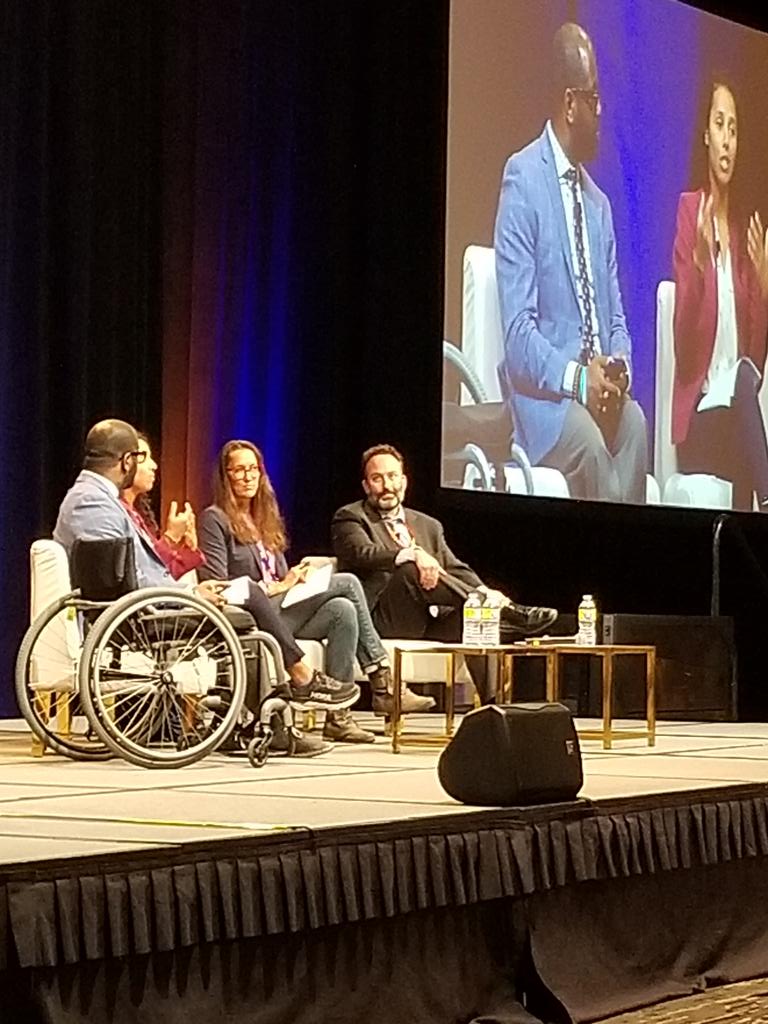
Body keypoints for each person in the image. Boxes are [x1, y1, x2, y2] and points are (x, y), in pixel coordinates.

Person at [54, 419, 359, 714]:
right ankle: (304, 679)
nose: (151, 465)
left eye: (254, 469)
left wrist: (191, 586)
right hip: (139, 615)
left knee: (293, 607)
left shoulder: (99, 499)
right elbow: (121, 581)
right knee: (255, 597)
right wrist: (192, 594)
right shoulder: (91, 502)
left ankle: (268, 719)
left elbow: (131, 571)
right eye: (141, 458)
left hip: (151, 604)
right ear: (126, 462)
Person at [493, 22, 647, 503]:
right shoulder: (522, 180)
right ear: (569, 104)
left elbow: (618, 320)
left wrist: (615, 371)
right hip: (548, 404)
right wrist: (580, 380)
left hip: (597, 394)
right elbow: (518, 335)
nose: (601, 111)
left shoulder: (599, 206)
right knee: (589, 443)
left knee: (637, 425)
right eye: (594, 99)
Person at [197, 441, 434, 745]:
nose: (247, 476)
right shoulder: (214, 519)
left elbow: (279, 575)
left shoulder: (264, 520)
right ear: (225, 476)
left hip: (282, 609)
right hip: (253, 614)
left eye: (253, 469)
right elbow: (218, 584)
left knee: (342, 611)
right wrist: (280, 587)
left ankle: (338, 718)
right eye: (239, 470)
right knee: (347, 583)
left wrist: (296, 577)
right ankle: (383, 682)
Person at [331, 444, 559, 705]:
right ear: (365, 486)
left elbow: (454, 568)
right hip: (384, 616)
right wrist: (411, 553)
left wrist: (485, 591)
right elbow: (363, 553)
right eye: (377, 478)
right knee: (408, 567)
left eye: (393, 476)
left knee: (473, 617)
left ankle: (493, 707)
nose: (387, 485)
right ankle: (507, 613)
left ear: (404, 481)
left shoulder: (428, 525)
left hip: (430, 619)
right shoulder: (351, 517)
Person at [672, 78, 768, 510]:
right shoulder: (689, 210)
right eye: (719, 125)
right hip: (701, 417)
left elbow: (754, 361)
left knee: (746, 389)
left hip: (737, 409)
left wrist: (764, 291)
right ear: (705, 137)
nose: (727, 139)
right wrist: (696, 264)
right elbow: (684, 344)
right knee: (744, 403)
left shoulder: (741, 230)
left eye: (734, 128)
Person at [120, 433, 205, 580]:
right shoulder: (117, 513)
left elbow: (164, 574)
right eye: (144, 458)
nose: (154, 465)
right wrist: (171, 537)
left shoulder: (137, 514)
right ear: (125, 463)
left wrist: (189, 547)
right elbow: (144, 575)